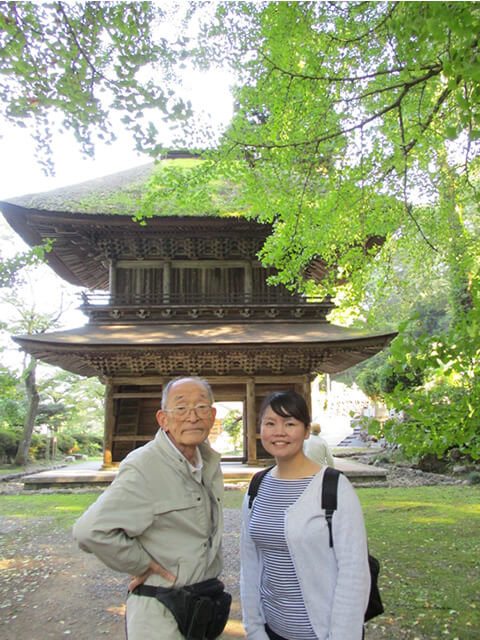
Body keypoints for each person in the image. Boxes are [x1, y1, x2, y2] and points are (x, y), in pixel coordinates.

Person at [73, 376, 226, 640]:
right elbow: (90, 530)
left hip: (201, 603)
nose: (192, 416)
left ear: (212, 415)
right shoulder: (145, 465)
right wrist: (142, 564)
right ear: (163, 419)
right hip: (160, 609)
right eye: (180, 408)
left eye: (201, 407)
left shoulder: (207, 460)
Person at [240, 391, 370, 640]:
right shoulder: (257, 486)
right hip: (271, 630)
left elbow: (354, 573)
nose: (279, 432)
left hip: (322, 632)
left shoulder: (334, 487)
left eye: (290, 423)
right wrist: (254, 629)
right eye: (270, 423)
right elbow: (250, 562)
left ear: (307, 430)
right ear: (260, 429)